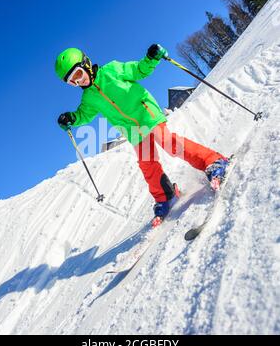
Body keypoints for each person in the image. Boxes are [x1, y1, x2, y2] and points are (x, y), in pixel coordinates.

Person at [55, 44, 229, 220]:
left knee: (167, 142)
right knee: (147, 162)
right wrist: (71, 118)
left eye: (78, 75)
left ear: (85, 64)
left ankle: (214, 161)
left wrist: (150, 59)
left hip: (146, 113)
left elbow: (138, 70)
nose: (78, 82)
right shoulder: (88, 98)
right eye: (72, 82)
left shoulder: (112, 69)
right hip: (132, 129)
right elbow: (83, 115)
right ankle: (165, 197)